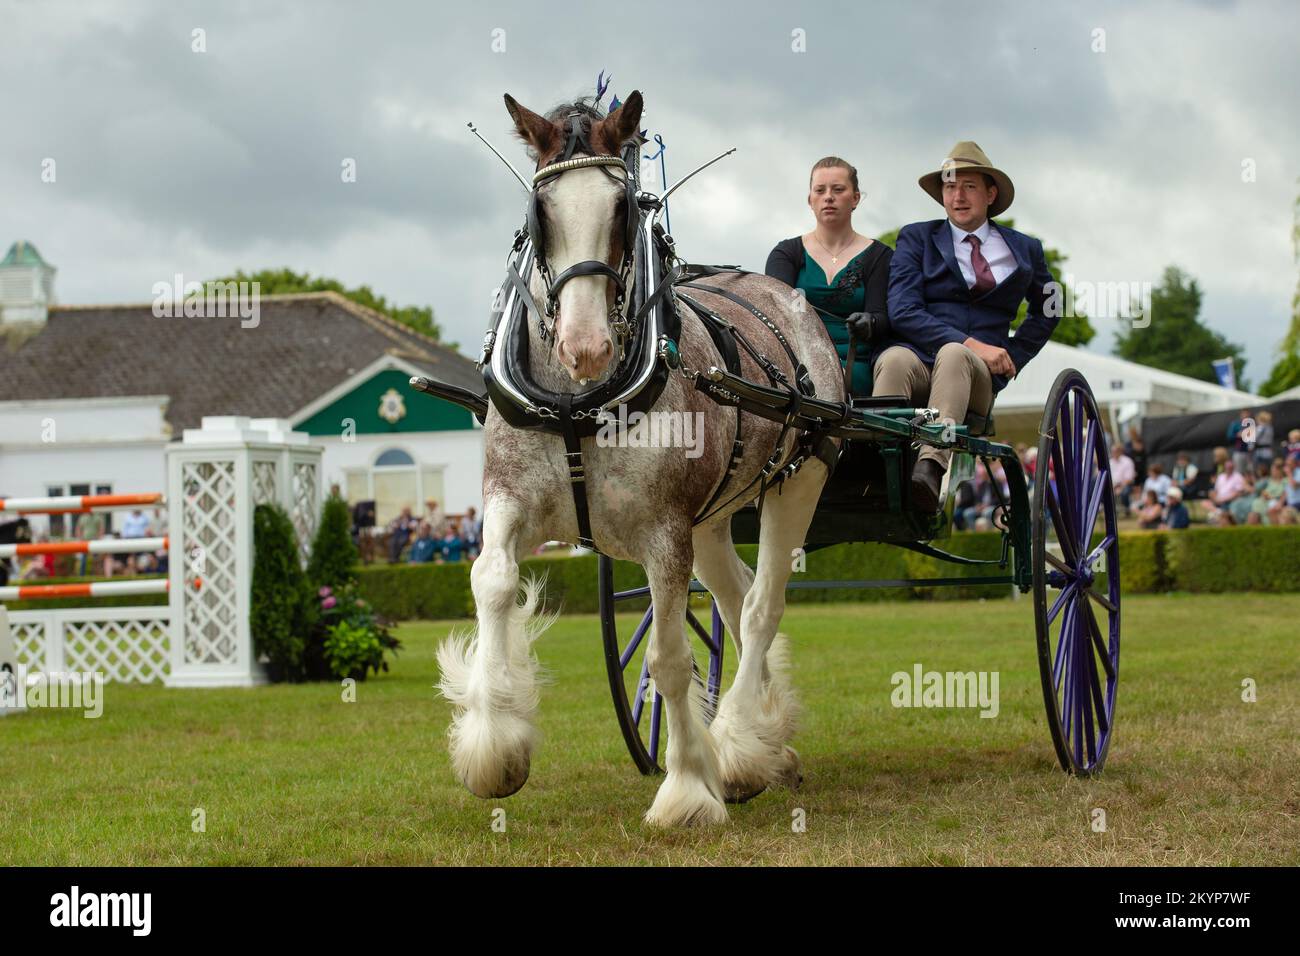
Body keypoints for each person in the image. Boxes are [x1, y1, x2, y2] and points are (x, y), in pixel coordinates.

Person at [876, 141, 1059, 511]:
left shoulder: (1027, 249)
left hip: (975, 377)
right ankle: (876, 469)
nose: (957, 196)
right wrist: (975, 344)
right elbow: (902, 309)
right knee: (893, 359)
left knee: (956, 354)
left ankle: (930, 467)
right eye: (949, 187)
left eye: (969, 186)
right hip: (920, 363)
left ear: (991, 193)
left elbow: (1051, 307)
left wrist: (1012, 359)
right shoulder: (916, 237)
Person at [765, 156, 893, 397]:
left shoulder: (879, 256)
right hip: (800, 367)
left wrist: (871, 323)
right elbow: (776, 314)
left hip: (857, 366)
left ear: (855, 198)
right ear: (810, 200)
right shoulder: (786, 254)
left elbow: (885, 319)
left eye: (838, 189)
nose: (828, 197)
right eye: (820, 190)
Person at [1204, 459, 1246, 525]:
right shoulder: (1221, 476)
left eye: (1230, 466)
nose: (1228, 468)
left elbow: (1238, 493)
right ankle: (1218, 511)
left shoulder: (1238, 477)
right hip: (1219, 500)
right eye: (1227, 466)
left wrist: (1223, 500)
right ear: (1224, 467)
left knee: (1217, 514)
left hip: (1230, 502)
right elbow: (1216, 490)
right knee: (1205, 503)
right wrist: (1215, 499)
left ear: (1233, 467)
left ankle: (1218, 512)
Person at [1248, 459, 1288, 525]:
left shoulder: (1285, 481)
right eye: (1271, 470)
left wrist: (1270, 497)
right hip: (1264, 502)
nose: (1272, 472)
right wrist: (1264, 494)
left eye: (1273, 470)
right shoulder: (1270, 481)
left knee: (1267, 511)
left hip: (1275, 503)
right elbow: (1261, 490)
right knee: (1252, 515)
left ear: (1279, 471)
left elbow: (1283, 494)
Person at [1109, 443, 1136, 515]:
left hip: (1125, 484)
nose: (1113, 453)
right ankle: (1112, 512)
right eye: (1112, 451)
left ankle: (1127, 510)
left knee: (1124, 492)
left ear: (1120, 451)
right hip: (1111, 485)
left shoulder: (1128, 461)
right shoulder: (1110, 462)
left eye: (1115, 451)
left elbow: (1129, 479)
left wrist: (1120, 487)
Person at [1227, 409, 1254, 477]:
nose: (1246, 416)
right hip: (1238, 452)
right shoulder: (1235, 424)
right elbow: (1229, 436)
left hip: (1249, 453)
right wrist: (1238, 435)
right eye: (1244, 414)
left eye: (1247, 414)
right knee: (1238, 472)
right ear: (1241, 414)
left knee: (1249, 471)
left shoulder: (1251, 425)